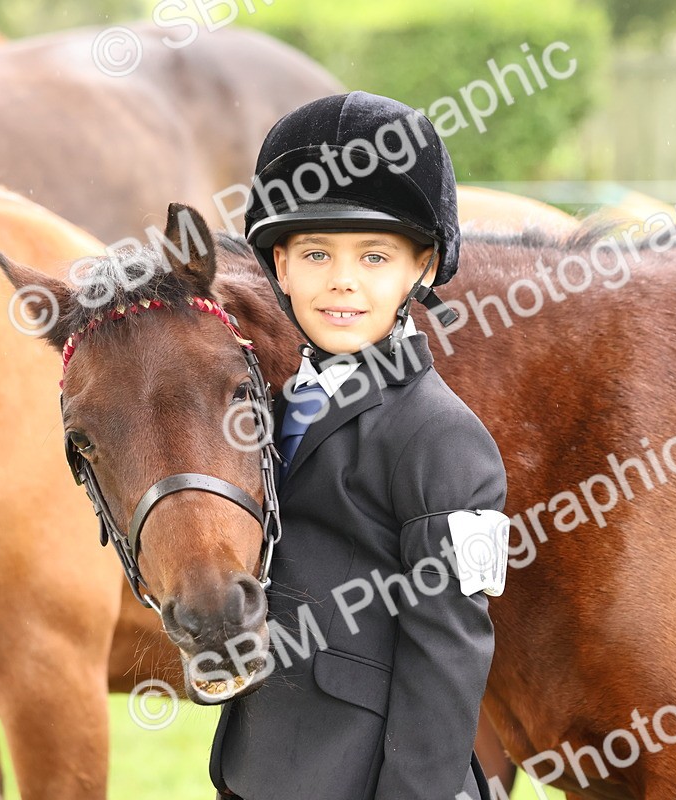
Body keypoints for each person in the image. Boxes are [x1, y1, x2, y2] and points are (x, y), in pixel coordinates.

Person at [208, 91, 510, 800]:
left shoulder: (445, 441)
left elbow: (449, 657)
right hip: (264, 767)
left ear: (423, 268)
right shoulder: (266, 411)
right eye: (316, 253)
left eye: (375, 256)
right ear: (278, 267)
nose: (342, 280)